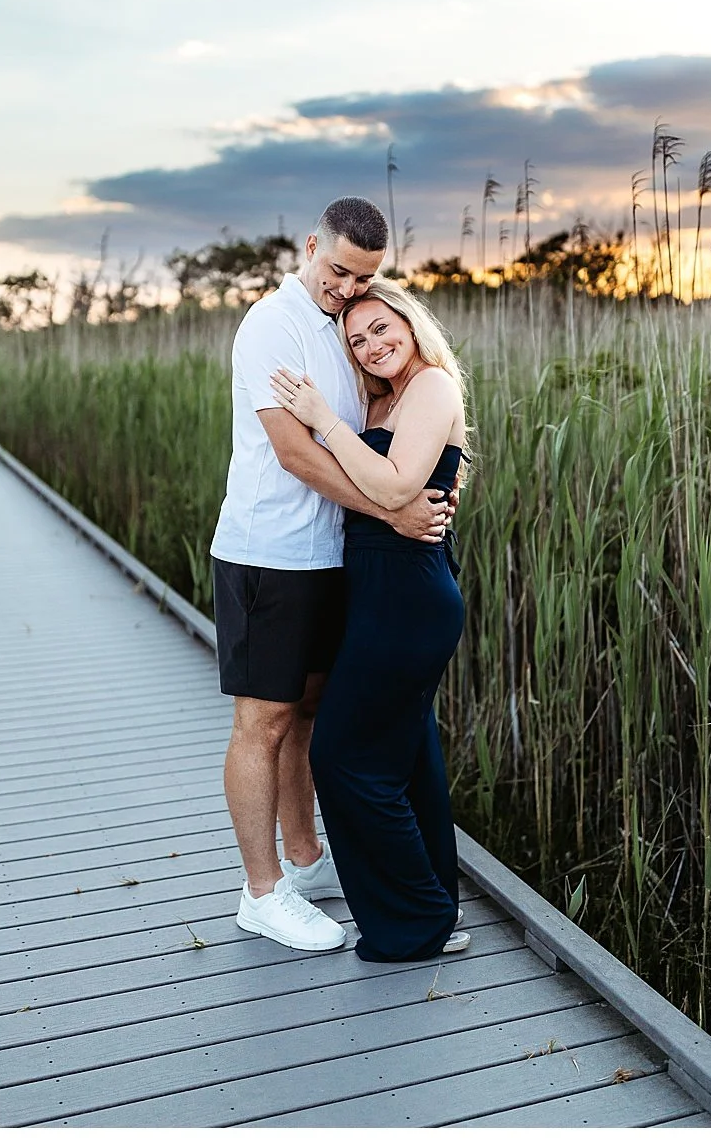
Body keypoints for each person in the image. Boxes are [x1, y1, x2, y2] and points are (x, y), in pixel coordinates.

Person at [210, 197, 452, 952]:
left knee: (308, 712)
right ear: (312, 245)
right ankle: (262, 892)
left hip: (331, 558)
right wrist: (393, 512)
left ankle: (307, 857)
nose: (347, 288)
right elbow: (295, 451)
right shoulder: (272, 325)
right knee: (264, 721)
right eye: (338, 270)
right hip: (268, 553)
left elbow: (391, 439)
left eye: (365, 280)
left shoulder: (343, 329)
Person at [268, 277, 469, 961]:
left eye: (382, 327)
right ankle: (435, 909)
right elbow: (384, 487)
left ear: (410, 323)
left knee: (342, 755)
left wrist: (323, 420)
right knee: (409, 758)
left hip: (407, 596)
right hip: (383, 589)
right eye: (357, 339)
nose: (371, 343)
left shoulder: (432, 387)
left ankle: (412, 922)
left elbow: (391, 486)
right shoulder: (384, 398)